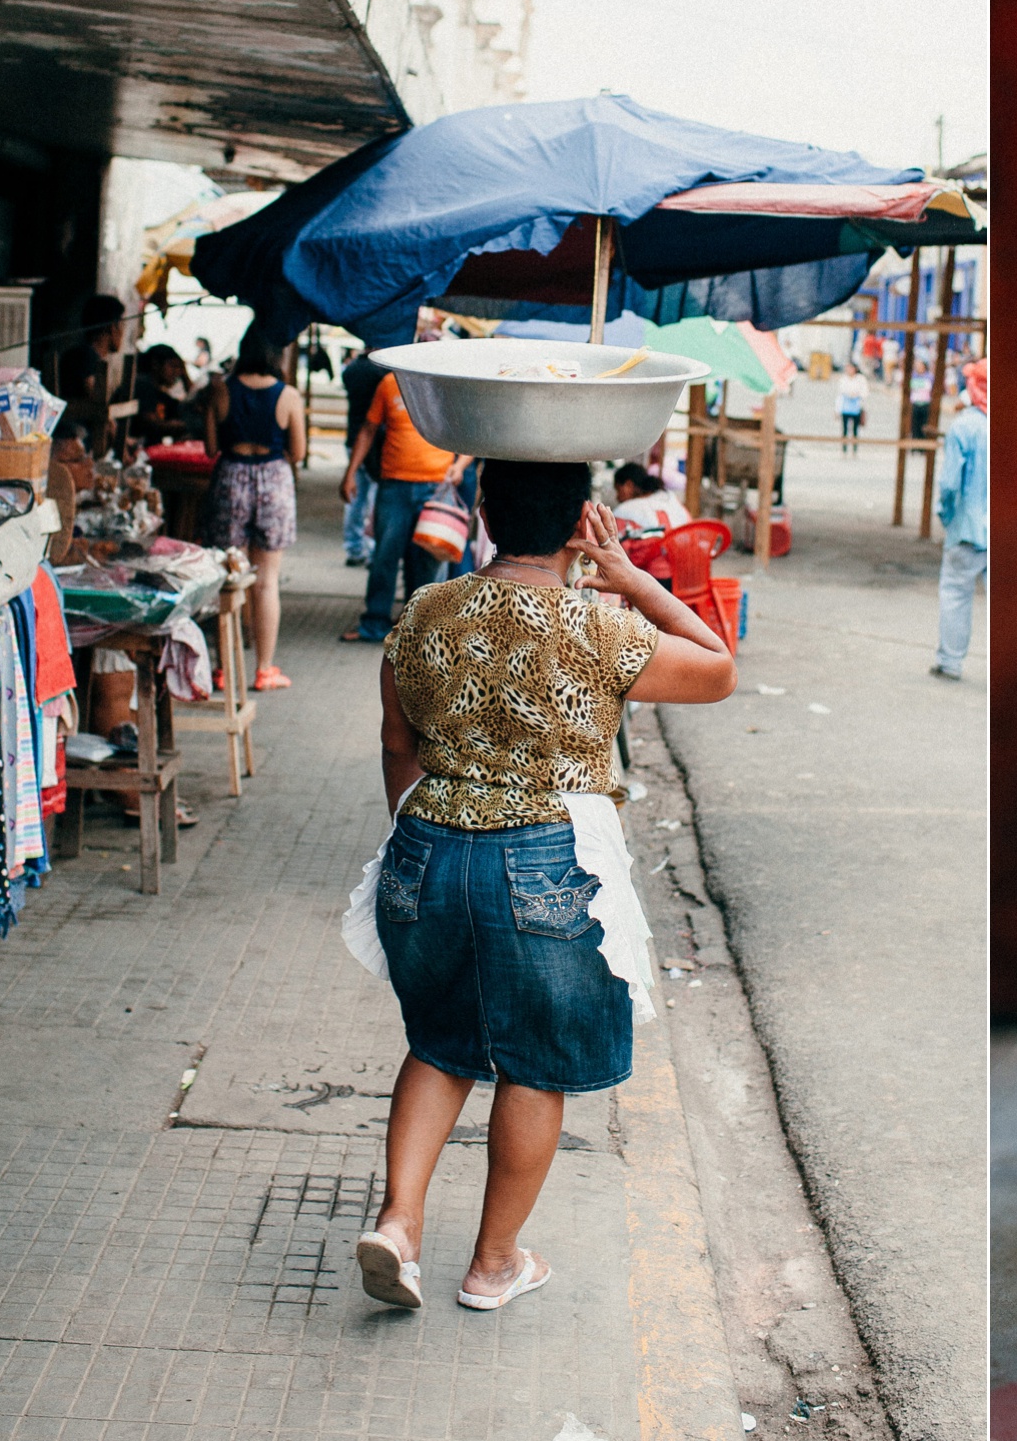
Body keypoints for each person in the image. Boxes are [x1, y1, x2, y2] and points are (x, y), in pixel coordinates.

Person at [354, 469, 734, 1313]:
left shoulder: (422, 612)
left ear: (483, 514)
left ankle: (398, 1224)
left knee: (439, 1043)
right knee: (533, 1064)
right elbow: (717, 668)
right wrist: (631, 576)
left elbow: (395, 742)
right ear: (580, 526)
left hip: (427, 846)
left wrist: (419, 840)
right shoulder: (599, 625)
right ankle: (494, 1262)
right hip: (543, 861)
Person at [200, 331, 303, 691]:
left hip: (231, 477)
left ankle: (225, 670)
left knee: (227, 579)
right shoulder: (288, 395)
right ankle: (264, 669)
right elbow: (299, 452)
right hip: (274, 479)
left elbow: (210, 447)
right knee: (267, 581)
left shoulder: (221, 389)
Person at [340, 369, 467, 644]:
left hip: (436, 489)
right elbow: (368, 429)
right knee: (385, 556)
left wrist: (459, 466)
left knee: (428, 561)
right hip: (394, 487)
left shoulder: (446, 383)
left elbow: (468, 431)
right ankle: (374, 624)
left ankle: (421, 630)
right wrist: (350, 473)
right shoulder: (389, 383)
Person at [931, 360, 988, 682]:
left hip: (967, 530)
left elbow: (950, 484)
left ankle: (950, 663)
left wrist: (947, 516)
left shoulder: (965, 427)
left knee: (955, 594)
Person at [56, 293, 129, 449]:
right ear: (112, 327)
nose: (123, 333)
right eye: (122, 325)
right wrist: (123, 447)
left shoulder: (81, 355)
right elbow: (97, 399)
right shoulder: (85, 356)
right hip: (79, 439)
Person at [339, 347, 383, 567]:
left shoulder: (351, 370)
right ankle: (373, 549)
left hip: (352, 438)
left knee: (355, 499)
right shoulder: (382, 373)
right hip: (375, 443)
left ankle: (354, 547)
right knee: (375, 498)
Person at [130, 345, 195, 443]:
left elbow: (192, 406)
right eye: (172, 366)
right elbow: (152, 424)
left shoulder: (160, 394)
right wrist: (186, 425)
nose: (177, 372)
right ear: (156, 364)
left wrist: (185, 377)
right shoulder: (143, 384)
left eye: (179, 368)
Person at [610, 463, 690, 536]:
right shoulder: (671, 498)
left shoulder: (623, 511)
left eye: (618, 490)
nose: (617, 497)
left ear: (629, 485)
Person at [836, 365, 868, 455]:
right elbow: (840, 393)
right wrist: (837, 409)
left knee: (855, 429)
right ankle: (844, 447)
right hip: (845, 406)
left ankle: (854, 448)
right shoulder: (843, 379)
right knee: (845, 428)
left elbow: (865, 392)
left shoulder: (860, 379)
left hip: (856, 406)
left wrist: (857, 394)